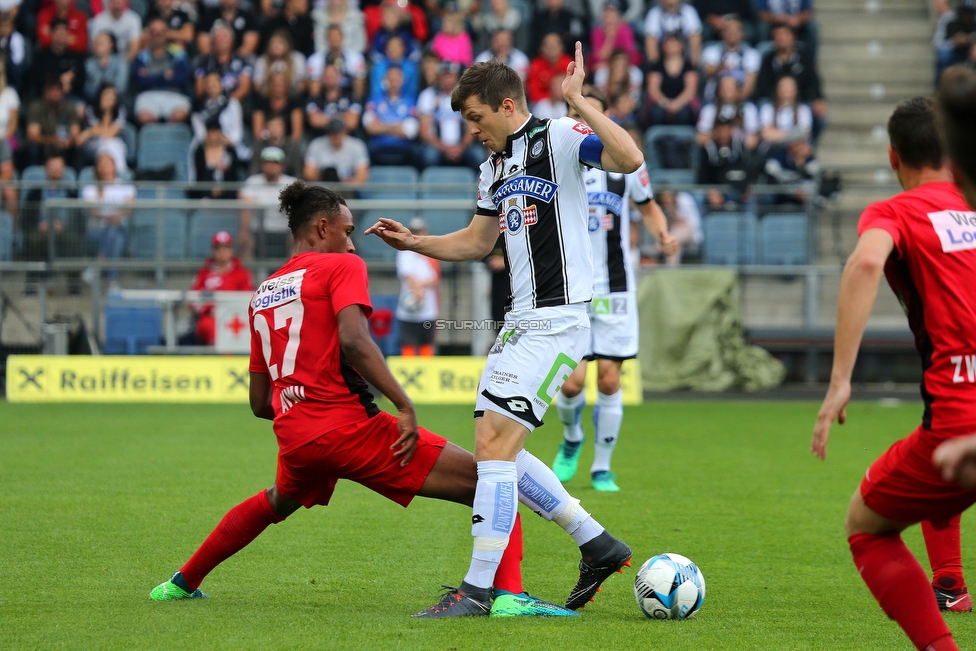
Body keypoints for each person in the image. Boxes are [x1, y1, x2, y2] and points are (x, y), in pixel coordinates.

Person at [150, 181, 575, 619]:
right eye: (347, 231)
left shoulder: (262, 293)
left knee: (276, 501)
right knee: (490, 480)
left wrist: (303, 408)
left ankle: (180, 583)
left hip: (295, 436)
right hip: (351, 428)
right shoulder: (339, 267)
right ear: (321, 227)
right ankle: (509, 596)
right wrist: (403, 404)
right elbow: (354, 340)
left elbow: (260, 403)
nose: (352, 244)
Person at [365, 48, 639, 617]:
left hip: (558, 319)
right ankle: (598, 544)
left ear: (507, 105)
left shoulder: (561, 136)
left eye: (476, 118)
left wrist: (578, 100)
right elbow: (476, 241)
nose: (472, 131)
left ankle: (478, 590)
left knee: (490, 444)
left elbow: (629, 157)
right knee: (501, 452)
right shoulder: (492, 168)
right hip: (520, 323)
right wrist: (416, 243)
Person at [811, 97, 976, 651]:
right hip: (953, 420)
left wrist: (840, 379)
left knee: (867, 525)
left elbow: (863, 263)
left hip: (962, 417)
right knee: (937, 483)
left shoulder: (896, 211)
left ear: (892, 155)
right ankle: (950, 583)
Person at [552, 87, 676, 492]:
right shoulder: (558, 157)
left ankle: (601, 468)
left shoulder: (625, 162)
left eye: (591, 112)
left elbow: (649, 206)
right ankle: (572, 440)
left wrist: (662, 233)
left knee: (608, 381)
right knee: (570, 383)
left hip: (616, 288)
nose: (583, 119)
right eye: (576, 112)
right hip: (572, 286)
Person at [188, 231, 254, 345]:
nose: (222, 252)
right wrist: (209, 308)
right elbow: (193, 300)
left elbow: (248, 299)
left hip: (237, 316)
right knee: (207, 326)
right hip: (210, 317)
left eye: (226, 248)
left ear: (231, 250)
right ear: (213, 250)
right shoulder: (203, 274)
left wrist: (227, 310)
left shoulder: (242, 273)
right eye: (218, 248)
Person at [417, 60, 484, 170]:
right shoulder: (427, 95)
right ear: (439, 77)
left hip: (462, 146)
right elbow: (424, 132)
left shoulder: (466, 97)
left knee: (478, 156)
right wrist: (445, 149)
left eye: (450, 75)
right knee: (429, 157)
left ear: (456, 77)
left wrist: (461, 147)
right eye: (444, 75)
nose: (447, 79)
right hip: (436, 146)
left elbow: (471, 128)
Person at [81, 151, 135, 283]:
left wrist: (117, 216)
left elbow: (129, 209)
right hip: (97, 227)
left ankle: (98, 264)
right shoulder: (90, 188)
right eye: (101, 163)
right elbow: (92, 211)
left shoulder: (125, 186)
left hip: (120, 225)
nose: (104, 166)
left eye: (107, 163)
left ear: (114, 166)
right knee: (116, 237)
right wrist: (109, 217)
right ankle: (112, 280)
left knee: (116, 230)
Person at [239, 147, 299, 260]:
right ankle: (251, 277)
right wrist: (244, 231)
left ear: (281, 165)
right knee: (246, 242)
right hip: (258, 231)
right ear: (262, 164)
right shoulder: (253, 181)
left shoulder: (291, 183)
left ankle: (289, 275)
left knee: (297, 241)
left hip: (284, 230)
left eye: (275, 162)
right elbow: (246, 208)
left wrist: (295, 231)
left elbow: (299, 209)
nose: (271, 166)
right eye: (267, 162)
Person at [131, 17, 192, 126]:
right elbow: (140, 80)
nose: (156, 36)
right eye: (153, 32)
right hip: (148, 95)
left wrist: (151, 76)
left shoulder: (178, 53)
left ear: (166, 35)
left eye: (160, 33)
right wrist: (165, 76)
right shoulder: (142, 55)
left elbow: (181, 78)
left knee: (179, 115)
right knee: (144, 117)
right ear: (149, 35)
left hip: (174, 94)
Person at [396, 217, 439, 357]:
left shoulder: (431, 253)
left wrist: (421, 286)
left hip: (428, 309)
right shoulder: (404, 252)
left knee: (426, 342)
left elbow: (435, 277)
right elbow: (406, 274)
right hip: (409, 308)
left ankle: (426, 372)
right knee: (408, 342)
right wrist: (416, 291)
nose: (418, 234)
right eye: (414, 231)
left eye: (420, 231)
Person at [362, 66, 420, 168]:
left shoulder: (410, 101)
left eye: (397, 78)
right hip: (378, 146)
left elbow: (411, 131)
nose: (394, 82)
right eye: (391, 78)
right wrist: (398, 127)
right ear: (385, 80)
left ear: (402, 80)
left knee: (418, 154)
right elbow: (370, 128)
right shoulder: (374, 99)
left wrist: (381, 125)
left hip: (404, 146)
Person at [639, 32, 698, 129]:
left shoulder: (689, 66)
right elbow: (653, 89)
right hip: (661, 103)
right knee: (657, 114)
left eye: (674, 43)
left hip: (682, 103)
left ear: (681, 46)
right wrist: (665, 103)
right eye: (668, 44)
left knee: (684, 114)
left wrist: (677, 104)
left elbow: (690, 88)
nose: (671, 46)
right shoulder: (656, 66)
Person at [25, 75, 81, 168]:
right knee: (33, 149)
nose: (55, 93)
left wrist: (69, 140)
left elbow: (75, 131)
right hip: (43, 145)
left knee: (78, 148)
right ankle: (33, 176)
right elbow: (33, 135)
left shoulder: (69, 107)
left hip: (65, 144)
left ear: (62, 92)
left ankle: (77, 178)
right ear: (45, 91)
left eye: (58, 90)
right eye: (52, 90)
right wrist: (52, 140)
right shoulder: (36, 107)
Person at [700, 17, 760, 102]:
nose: (732, 33)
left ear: (742, 34)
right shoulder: (711, 51)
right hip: (714, 100)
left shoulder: (751, 54)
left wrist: (734, 102)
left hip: (740, 101)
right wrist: (719, 69)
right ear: (722, 33)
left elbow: (750, 84)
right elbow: (708, 72)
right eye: (728, 30)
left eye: (736, 30)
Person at [193, 24, 253, 102]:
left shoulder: (242, 61)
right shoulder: (203, 61)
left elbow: (244, 88)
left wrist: (225, 103)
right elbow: (200, 89)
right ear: (212, 41)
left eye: (225, 36)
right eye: (218, 37)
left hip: (234, 103)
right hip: (208, 103)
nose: (221, 40)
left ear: (232, 40)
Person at [77, 84, 128, 172]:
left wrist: (89, 132)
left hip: (111, 142)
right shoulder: (91, 110)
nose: (109, 98)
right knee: (109, 143)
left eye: (112, 95)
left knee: (111, 143)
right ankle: (121, 172)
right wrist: (93, 131)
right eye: (106, 95)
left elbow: (111, 133)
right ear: (100, 95)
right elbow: (98, 133)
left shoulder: (120, 110)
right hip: (93, 144)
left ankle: (115, 171)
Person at [303, 118, 369, 182]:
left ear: (345, 131)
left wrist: (344, 183)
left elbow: (362, 177)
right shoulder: (316, 144)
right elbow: (308, 174)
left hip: (346, 189)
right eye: (333, 133)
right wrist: (324, 178)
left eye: (338, 132)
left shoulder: (357, 145)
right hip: (322, 187)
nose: (336, 136)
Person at [189, 118, 242, 199]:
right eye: (210, 132)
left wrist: (226, 170)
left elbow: (234, 172)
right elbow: (199, 173)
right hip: (205, 188)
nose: (213, 136)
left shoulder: (230, 150)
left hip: (227, 188)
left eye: (215, 132)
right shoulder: (200, 151)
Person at [642, 0, 702, 65]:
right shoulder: (654, 13)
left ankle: (692, 67)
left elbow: (695, 34)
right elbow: (650, 38)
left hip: (683, 52)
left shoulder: (688, 11)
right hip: (662, 54)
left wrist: (693, 63)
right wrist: (655, 66)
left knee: (695, 38)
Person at [527, 33, 572, 106]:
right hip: (542, 105)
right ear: (541, 48)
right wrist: (553, 98)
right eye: (548, 45)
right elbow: (533, 93)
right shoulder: (535, 66)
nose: (551, 48)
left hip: (567, 103)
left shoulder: (569, 64)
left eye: (554, 45)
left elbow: (575, 90)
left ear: (562, 47)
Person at [84, 31, 128, 103]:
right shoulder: (89, 63)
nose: (98, 45)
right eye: (96, 42)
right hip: (94, 102)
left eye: (101, 43)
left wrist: (107, 96)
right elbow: (87, 89)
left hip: (116, 103)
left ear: (111, 45)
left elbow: (121, 87)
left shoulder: (120, 62)